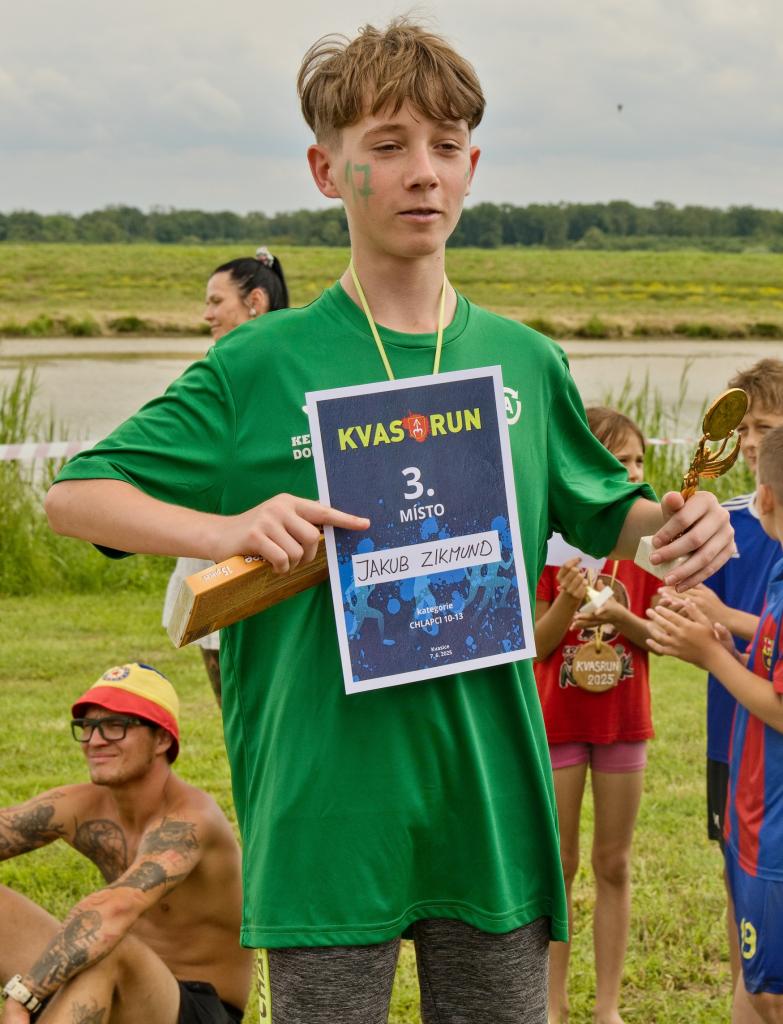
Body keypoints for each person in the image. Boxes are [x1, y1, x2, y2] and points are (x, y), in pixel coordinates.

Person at [44, 20, 733, 1023]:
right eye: (388, 145)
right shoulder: (259, 363)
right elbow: (75, 494)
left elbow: (610, 511)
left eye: (446, 146)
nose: (422, 172)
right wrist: (225, 529)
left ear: (472, 168)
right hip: (326, 803)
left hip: (487, 800)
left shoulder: (524, 360)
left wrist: (678, 527)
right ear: (327, 169)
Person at [0, 662, 252, 1024]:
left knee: (109, 948)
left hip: (200, 1010)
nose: (95, 740)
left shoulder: (191, 820)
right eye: (87, 727)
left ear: (162, 739)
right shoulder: (82, 805)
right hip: (112, 987)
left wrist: (23, 998)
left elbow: (114, 912)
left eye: (115, 726)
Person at [647, 426, 783, 1024]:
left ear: (765, 497)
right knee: (756, 984)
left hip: (774, 817)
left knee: (770, 992)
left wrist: (711, 656)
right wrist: (731, 644)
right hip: (757, 801)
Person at [534, 408, 660, 1024]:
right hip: (559, 722)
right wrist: (567, 600)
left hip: (622, 723)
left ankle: (608, 1007)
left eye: (639, 461)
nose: (632, 473)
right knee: (559, 866)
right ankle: (553, 1004)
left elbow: (662, 636)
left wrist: (619, 617)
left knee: (614, 863)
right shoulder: (547, 544)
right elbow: (535, 645)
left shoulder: (648, 551)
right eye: (618, 461)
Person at [161, 247, 290, 707]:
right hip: (215, 558)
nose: (207, 314)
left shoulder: (283, 372)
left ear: (255, 301)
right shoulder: (216, 373)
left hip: (282, 562)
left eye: (216, 301)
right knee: (237, 711)